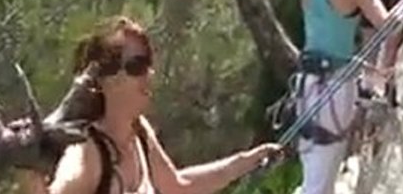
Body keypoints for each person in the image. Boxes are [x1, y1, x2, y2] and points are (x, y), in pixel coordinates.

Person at [20, 16, 282, 194]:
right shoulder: (88, 150)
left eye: (149, 63)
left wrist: (247, 161)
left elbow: (178, 186)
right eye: (137, 66)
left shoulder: (139, 132)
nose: (150, 74)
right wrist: (31, 176)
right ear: (107, 80)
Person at [295, 0, 392, 194]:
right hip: (335, 86)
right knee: (319, 184)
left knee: (313, 177)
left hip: (305, 84)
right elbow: (386, 24)